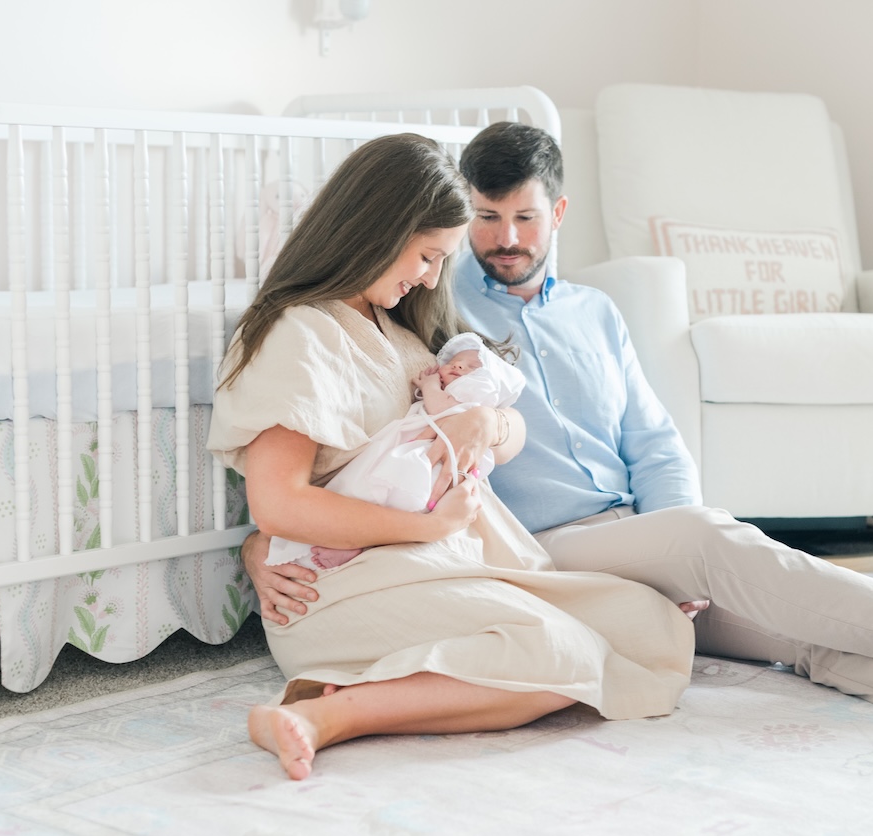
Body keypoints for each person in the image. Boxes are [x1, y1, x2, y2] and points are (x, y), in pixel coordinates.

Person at [244, 121, 873, 766]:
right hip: (541, 547)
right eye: (480, 222)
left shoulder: (595, 312)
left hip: (636, 529)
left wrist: (671, 528)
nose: (498, 239)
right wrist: (258, 548)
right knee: (720, 547)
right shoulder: (442, 309)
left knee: (797, 628)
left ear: (556, 215)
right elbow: (347, 454)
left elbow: (653, 437)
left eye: (520, 217)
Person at [208, 133, 695, 782]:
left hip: (439, 560)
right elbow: (278, 501)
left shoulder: (404, 329)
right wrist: (427, 527)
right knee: (561, 651)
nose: (433, 277)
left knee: (645, 625)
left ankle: (393, 683)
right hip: (347, 584)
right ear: (379, 231)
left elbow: (503, 429)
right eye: (428, 256)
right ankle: (326, 716)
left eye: (443, 260)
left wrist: (487, 422)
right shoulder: (302, 331)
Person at [262, 330, 525, 571]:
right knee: (385, 500)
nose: (458, 365)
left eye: (472, 366)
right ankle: (358, 543)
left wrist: (430, 385)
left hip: (431, 461)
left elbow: (440, 408)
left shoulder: (473, 395)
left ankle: (358, 545)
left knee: (395, 496)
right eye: (454, 361)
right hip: (425, 458)